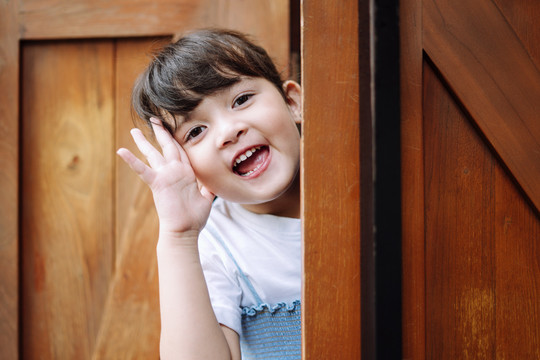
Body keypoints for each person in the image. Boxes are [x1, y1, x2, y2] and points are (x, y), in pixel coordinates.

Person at [116, 29, 302, 359]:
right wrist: (179, 236)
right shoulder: (215, 244)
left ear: (293, 102)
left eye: (242, 100)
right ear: (187, 166)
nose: (229, 132)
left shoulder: (361, 182)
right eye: (196, 131)